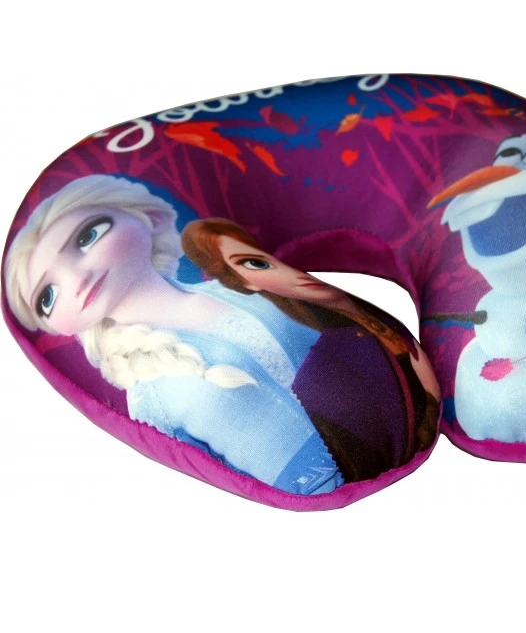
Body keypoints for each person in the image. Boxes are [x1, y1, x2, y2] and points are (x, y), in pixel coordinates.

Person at [4, 174, 344, 495]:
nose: (76, 280)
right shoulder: (150, 392)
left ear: (150, 217)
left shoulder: (241, 289)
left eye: (87, 236)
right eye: (47, 296)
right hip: (313, 486)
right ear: (55, 325)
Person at [181, 218, 441, 483]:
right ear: (246, 284)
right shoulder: (323, 370)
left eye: (262, 257)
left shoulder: (368, 336)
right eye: (256, 264)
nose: (284, 271)